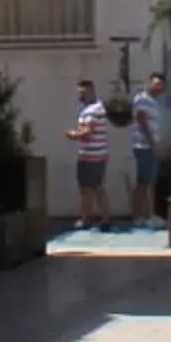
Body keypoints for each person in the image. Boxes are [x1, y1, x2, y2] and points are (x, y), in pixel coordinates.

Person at [66, 78, 112, 229]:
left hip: (91, 155)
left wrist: (73, 134)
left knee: (88, 188)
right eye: (79, 93)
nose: (81, 95)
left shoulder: (93, 110)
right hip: (97, 154)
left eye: (83, 92)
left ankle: (86, 219)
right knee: (96, 187)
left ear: (91, 91)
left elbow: (88, 132)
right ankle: (102, 218)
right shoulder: (95, 108)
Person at [129, 69, 168, 228]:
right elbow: (142, 121)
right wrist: (153, 144)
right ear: (149, 83)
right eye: (157, 84)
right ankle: (144, 216)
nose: (159, 88)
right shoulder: (142, 99)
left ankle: (145, 215)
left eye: (162, 85)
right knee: (146, 182)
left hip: (149, 146)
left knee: (146, 182)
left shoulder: (153, 101)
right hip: (144, 146)